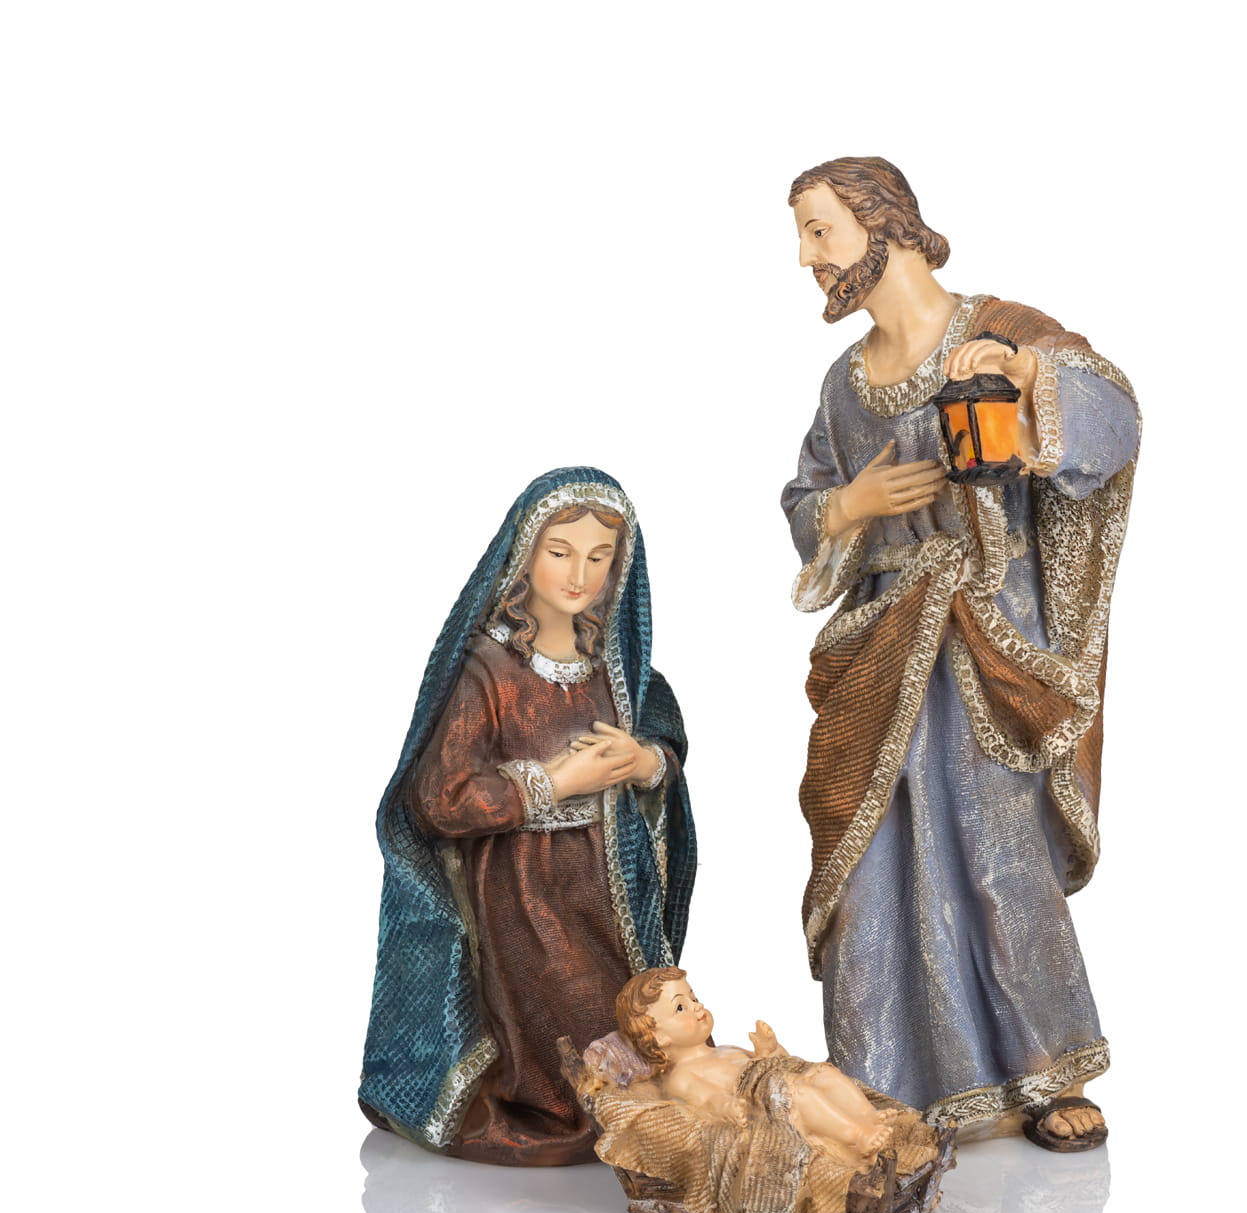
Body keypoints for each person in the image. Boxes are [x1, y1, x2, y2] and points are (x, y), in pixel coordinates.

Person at [780, 157, 1140, 1150]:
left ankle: (1047, 1070)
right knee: (866, 857)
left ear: (883, 224)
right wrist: (851, 505)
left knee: (997, 849)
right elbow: (806, 502)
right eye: (804, 235)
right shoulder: (844, 385)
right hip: (882, 641)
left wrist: (1028, 385)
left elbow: (1112, 418)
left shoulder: (1001, 328)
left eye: (820, 231)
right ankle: (881, 1080)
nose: (807, 258)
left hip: (990, 639)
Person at [360, 466, 696, 1165]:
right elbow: (440, 797)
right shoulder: (488, 669)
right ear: (524, 553)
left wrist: (643, 762)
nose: (579, 575)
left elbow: (665, 740)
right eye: (561, 552)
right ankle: (576, 1108)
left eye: (599, 558)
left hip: (611, 886)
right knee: (570, 1034)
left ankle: (650, 1112)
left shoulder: (616, 665)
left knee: (635, 1018)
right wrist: (557, 780)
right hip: (523, 893)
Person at [613, 968, 910, 1167]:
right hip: (762, 1097)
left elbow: (772, 1063)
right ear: (658, 1037)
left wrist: (770, 1049)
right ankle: (856, 1137)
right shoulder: (682, 1076)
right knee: (801, 1095)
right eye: (681, 1008)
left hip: (780, 1076)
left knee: (824, 1073)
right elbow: (705, 1099)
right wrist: (728, 1107)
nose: (697, 1006)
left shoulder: (725, 1049)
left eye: (694, 998)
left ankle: (867, 1115)